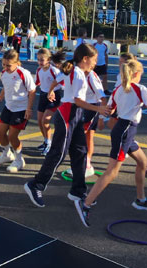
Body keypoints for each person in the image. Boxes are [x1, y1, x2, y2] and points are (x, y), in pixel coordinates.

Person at [74, 59, 147, 226]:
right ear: (137, 74)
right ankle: (85, 203)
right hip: (125, 131)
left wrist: (103, 118)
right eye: (141, 74)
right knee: (112, 171)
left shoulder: (119, 89)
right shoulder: (140, 89)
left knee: (142, 162)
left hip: (124, 131)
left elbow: (110, 109)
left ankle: (140, 199)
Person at [24, 43, 112, 208]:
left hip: (76, 114)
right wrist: (98, 108)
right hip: (67, 114)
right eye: (94, 60)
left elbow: (58, 80)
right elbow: (77, 100)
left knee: (80, 151)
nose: (95, 63)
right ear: (85, 59)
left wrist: (50, 91)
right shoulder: (78, 74)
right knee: (58, 153)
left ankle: (78, 191)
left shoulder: (76, 71)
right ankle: (36, 184)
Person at [0, 49, 36, 173]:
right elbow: (6, 88)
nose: (5, 67)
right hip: (8, 107)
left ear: (17, 63)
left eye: (8, 65)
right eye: (3, 64)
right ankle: (7, 154)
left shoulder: (23, 73)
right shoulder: (4, 73)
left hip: (21, 109)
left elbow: (32, 91)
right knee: (0, 132)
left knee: (12, 136)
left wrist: (29, 108)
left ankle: (19, 160)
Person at [34, 48, 65, 156]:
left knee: (45, 121)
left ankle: (49, 144)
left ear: (48, 59)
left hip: (54, 96)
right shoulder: (39, 70)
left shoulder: (54, 70)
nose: (39, 62)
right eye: (38, 60)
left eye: (42, 60)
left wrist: (52, 91)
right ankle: (46, 141)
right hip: (43, 95)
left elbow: (62, 84)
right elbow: (37, 82)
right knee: (39, 120)